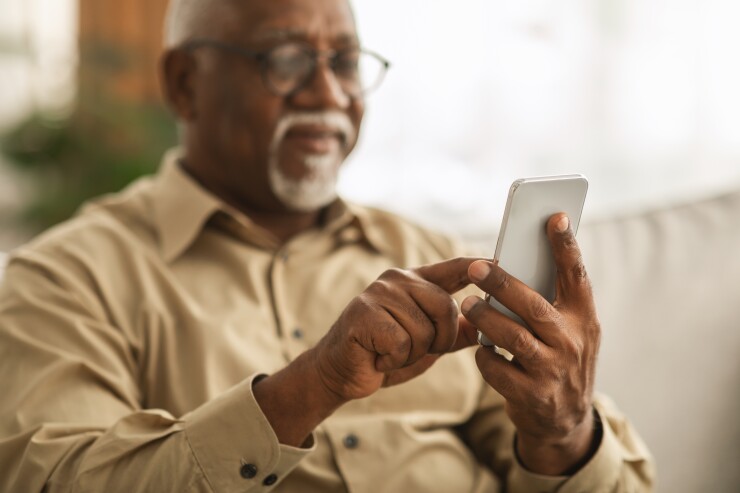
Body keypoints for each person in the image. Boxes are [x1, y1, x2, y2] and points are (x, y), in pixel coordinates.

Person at [0, 0, 654, 491]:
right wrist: (311, 386)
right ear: (184, 83)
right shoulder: (64, 278)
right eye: (284, 60)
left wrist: (563, 431)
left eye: (344, 62)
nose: (329, 93)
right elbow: (56, 477)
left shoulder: (437, 255)